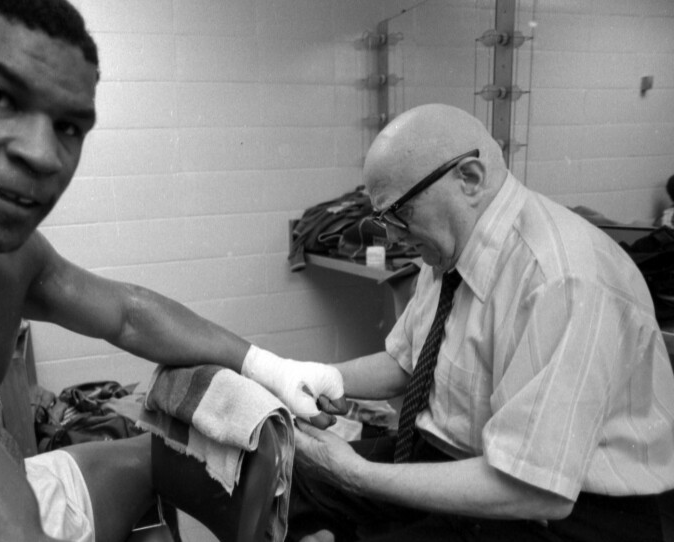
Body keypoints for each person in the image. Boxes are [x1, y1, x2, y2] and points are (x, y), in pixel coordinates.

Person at [0, 1, 344, 541]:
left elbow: (126, 315)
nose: (42, 154)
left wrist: (269, 368)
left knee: (163, 458)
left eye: (69, 126)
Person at [287, 104, 674, 542]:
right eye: (383, 218)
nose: (393, 235)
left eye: (400, 213)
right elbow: (406, 363)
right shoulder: (448, 247)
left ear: (469, 178)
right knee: (294, 478)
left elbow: (534, 488)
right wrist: (313, 378)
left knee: (340, 482)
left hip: (556, 512)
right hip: (457, 463)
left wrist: (355, 473)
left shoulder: (562, 280)